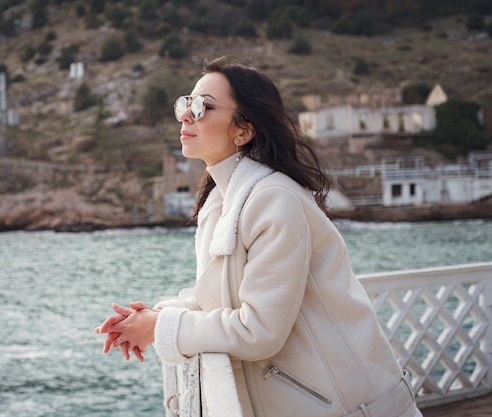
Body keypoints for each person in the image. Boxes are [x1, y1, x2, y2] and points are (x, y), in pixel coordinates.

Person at [95, 55, 422, 417]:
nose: (187, 115)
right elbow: (222, 301)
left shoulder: (273, 199)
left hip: (352, 407)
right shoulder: (222, 202)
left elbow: (260, 329)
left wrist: (161, 326)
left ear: (244, 130)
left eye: (203, 106)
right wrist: (153, 318)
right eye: (186, 103)